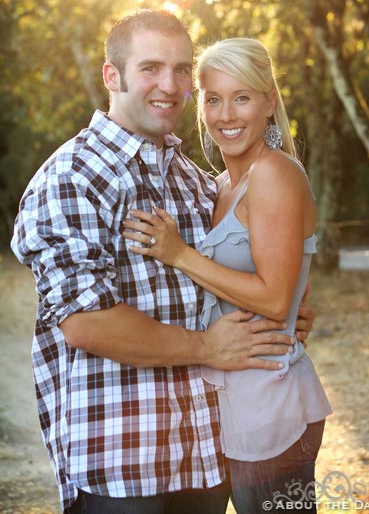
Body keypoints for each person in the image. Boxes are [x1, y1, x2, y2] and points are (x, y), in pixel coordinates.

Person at [10, 12, 315, 514]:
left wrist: (286, 310)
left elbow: (247, 273)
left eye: (181, 70)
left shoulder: (195, 180)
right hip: (125, 465)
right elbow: (86, 324)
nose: (169, 86)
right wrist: (207, 347)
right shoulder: (73, 176)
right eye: (151, 67)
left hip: (206, 457)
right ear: (114, 76)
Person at [122, 37, 332, 514]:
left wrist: (179, 255)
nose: (227, 115)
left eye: (242, 97)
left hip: (272, 401)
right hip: (231, 402)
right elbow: (295, 285)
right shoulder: (217, 186)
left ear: (269, 102)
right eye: (214, 99)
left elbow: (277, 299)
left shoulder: (275, 174)